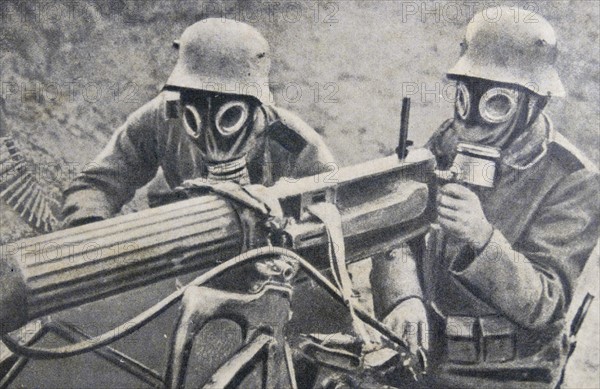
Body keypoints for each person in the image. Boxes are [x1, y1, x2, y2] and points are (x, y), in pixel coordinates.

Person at [370, 6, 599, 388]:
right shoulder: (448, 141)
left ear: (533, 102)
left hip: (508, 372)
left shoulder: (572, 179)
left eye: (495, 102)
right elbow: (397, 233)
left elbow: (546, 303)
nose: (472, 118)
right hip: (425, 356)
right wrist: (403, 297)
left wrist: (483, 238)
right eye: (464, 96)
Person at [62, 18, 334, 227]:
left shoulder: (287, 136)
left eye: (229, 110)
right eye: (195, 101)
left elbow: (332, 199)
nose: (208, 119)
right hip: (182, 235)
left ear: (256, 104)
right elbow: (99, 182)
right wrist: (89, 227)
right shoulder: (164, 117)